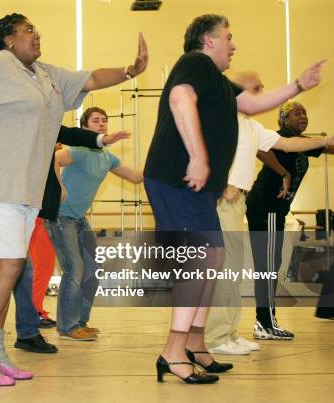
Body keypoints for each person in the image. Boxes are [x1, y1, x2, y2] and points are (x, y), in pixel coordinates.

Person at [0, 12, 148, 386]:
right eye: (28, 30)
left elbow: (93, 78)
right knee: (7, 268)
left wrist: (130, 71)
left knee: (3, 270)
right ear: (9, 40)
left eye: (37, 30)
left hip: (22, 190)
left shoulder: (45, 74)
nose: (36, 35)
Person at [143, 14, 324, 384]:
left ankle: (194, 344)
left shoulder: (217, 81)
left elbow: (255, 105)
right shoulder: (195, 64)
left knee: (213, 257)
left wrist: (298, 85)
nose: (234, 45)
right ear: (208, 41)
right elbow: (179, 98)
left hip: (193, 189)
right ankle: (173, 352)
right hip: (176, 181)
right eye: (228, 37)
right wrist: (197, 155)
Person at [206, 72, 334, 355]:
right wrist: (221, 183)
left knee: (235, 272)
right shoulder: (223, 118)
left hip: (239, 202)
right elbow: (203, 149)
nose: (263, 93)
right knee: (230, 271)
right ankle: (220, 336)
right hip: (231, 203)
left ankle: (229, 333)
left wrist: (326, 140)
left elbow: (287, 145)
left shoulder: (252, 126)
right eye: (257, 89)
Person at [47, 107, 143, 341]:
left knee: (92, 270)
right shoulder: (79, 150)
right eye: (96, 121)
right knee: (75, 269)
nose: (102, 124)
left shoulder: (107, 157)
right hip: (61, 217)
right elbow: (53, 159)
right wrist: (58, 187)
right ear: (85, 127)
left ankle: (80, 322)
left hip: (80, 219)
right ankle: (68, 327)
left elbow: (136, 177)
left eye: (104, 120)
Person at [245, 101, 334, 340]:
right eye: (297, 113)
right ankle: (265, 322)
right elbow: (260, 150)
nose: (303, 116)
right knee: (268, 266)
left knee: (269, 265)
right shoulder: (279, 138)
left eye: (305, 112)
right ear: (284, 120)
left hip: (272, 211)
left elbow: (327, 147)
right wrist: (283, 172)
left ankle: (264, 322)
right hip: (267, 208)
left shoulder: (301, 144)